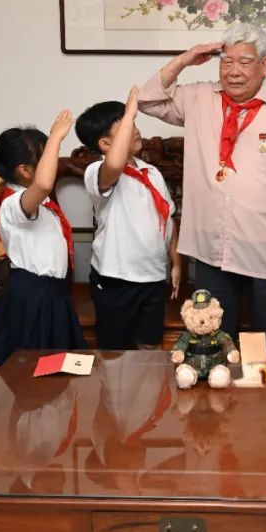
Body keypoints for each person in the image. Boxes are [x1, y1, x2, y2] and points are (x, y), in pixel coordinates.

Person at [137, 23, 266, 354]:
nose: (234, 71)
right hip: (213, 244)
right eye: (226, 61)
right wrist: (186, 58)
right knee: (213, 338)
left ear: (264, 64)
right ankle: (220, 387)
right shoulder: (198, 97)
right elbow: (146, 99)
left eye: (245, 62)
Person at [0, 110, 87, 367]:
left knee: (59, 370)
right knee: (32, 371)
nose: (52, 162)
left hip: (52, 294)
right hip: (33, 295)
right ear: (25, 170)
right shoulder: (12, 203)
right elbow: (44, 184)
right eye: (46, 157)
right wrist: (56, 137)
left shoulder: (41, 204)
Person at [76, 87, 180, 350]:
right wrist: (131, 110)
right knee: (114, 354)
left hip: (153, 278)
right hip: (116, 280)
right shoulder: (97, 171)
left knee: (149, 348)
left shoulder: (151, 172)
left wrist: (176, 262)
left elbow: (168, 218)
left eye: (133, 123)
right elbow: (114, 164)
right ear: (105, 144)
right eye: (125, 125)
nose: (135, 129)